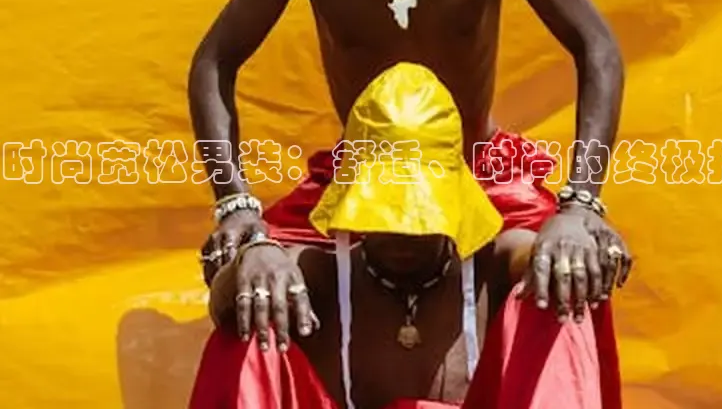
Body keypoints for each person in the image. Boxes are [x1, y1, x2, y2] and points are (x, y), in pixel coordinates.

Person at [187, 0, 634, 406]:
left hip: (481, 178)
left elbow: (598, 47)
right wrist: (236, 208)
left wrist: (581, 205)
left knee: (571, 269)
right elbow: (215, 61)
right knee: (257, 286)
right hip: (365, 176)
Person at [191, 64, 605, 409]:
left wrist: (572, 232)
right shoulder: (319, 276)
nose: (404, 233)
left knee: (562, 292)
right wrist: (253, 256)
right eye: (388, 212)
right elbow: (224, 302)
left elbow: (541, 258)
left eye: (420, 214)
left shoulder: (492, 268)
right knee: (253, 311)